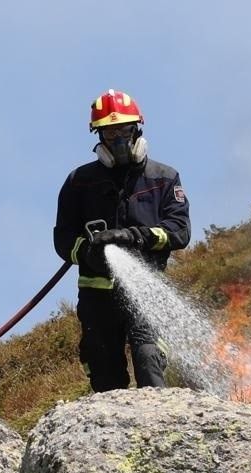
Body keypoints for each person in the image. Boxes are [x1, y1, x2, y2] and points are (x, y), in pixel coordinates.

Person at [54, 89, 191, 392]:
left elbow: (179, 231)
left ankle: (159, 417)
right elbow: (63, 238)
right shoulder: (79, 183)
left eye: (125, 131)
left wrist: (133, 236)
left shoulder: (164, 178)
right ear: (99, 136)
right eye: (110, 133)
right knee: (103, 371)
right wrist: (88, 253)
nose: (118, 140)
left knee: (148, 356)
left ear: (137, 130)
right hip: (97, 296)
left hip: (146, 288)